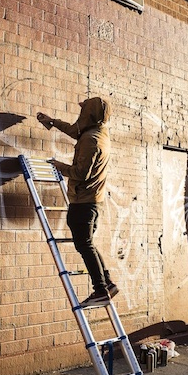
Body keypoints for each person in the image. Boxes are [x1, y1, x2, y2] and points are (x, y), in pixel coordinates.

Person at [37, 97, 119, 306]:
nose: (79, 114)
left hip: (83, 202)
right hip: (92, 201)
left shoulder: (90, 140)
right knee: (87, 244)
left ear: (89, 115)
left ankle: (100, 289)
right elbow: (76, 131)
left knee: (84, 245)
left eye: (83, 111)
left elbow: (80, 173)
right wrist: (53, 121)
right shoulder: (98, 133)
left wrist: (59, 166)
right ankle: (106, 283)